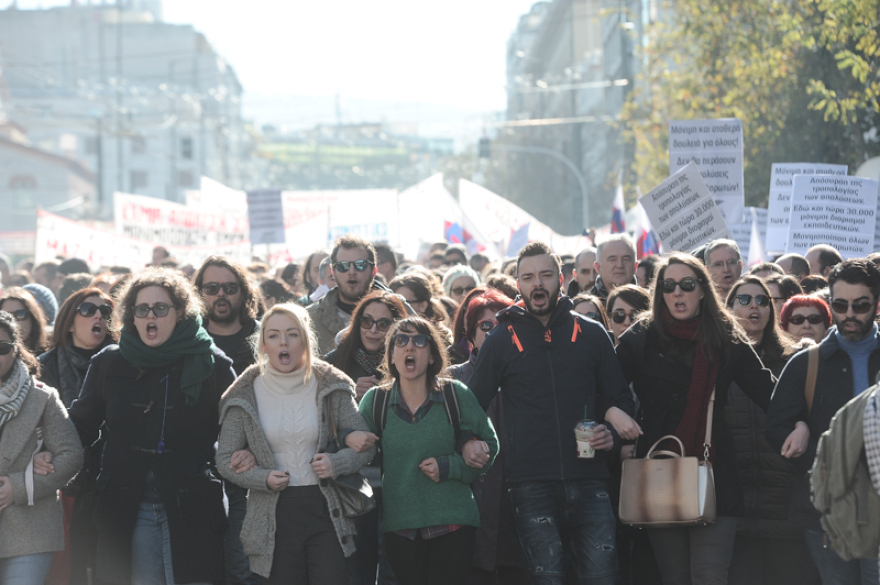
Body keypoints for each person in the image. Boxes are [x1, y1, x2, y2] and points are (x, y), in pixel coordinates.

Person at [468, 241, 635, 585]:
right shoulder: (500, 339)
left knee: (602, 577)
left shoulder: (591, 333)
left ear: (561, 279)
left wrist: (611, 433)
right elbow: (472, 404)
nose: (537, 283)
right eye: (528, 277)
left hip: (590, 479)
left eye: (545, 275)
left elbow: (620, 398)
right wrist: (472, 443)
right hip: (530, 483)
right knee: (548, 579)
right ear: (518, 284)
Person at [68, 267, 237, 585]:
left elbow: (237, 429)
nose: (151, 317)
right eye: (142, 309)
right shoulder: (109, 362)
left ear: (180, 313)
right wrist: (48, 452)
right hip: (127, 500)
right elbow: (80, 424)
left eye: (160, 309)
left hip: (191, 503)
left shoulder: (212, 364)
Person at [615, 253, 777, 585]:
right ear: (659, 292)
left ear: (703, 290)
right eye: (669, 286)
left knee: (710, 575)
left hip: (715, 470)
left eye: (687, 285)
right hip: (660, 469)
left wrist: (802, 420)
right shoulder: (641, 337)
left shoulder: (725, 336)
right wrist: (612, 414)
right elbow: (605, 385)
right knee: (674, 577)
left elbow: (768, 392)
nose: (678, 293)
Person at [216, 303, 375, 585]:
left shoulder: (331, 382)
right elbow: (225, 459)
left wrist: (335, 463)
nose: (283, 342)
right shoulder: (243, 390)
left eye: (292, 334)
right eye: (274, 335)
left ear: (305, 340)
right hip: (273, 512)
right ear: (263, 344)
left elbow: (366, 446)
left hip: (325, 507)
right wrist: (262, 478)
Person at [359, 317, 498, 585]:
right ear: (391, 354)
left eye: (419, 340)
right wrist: (348, 437)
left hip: (454, 525)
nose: (409, 347)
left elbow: (490, 447)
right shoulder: (375, 401)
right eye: (401, 340)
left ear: (432, 355)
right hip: (401, 528)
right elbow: (354, 450)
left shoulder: (455, 395)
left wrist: (450, 467)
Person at [766, 259, 880, 585]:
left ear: (876, 304)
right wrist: (808, 437)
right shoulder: (807, 363)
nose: (850, 314)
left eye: (860, 306)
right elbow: (777, 428)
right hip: (826, 516)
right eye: (840, 305)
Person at [723, 276, 818, 585]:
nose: (755, 306)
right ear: (728, 308)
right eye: (745, 299)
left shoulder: (796, 359)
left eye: (763, 300)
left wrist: (803, 423)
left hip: (785, 510)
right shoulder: (714, 360)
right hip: (733, 509)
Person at [323, 291, 408, 585]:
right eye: (367, 322)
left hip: (400, 479)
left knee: (395, 569)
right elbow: (318, 421)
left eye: (384, 324)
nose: (374, 330)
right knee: (356, 569)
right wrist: (351, 396)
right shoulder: (335, 363)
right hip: (353, 483)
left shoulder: (409, 360)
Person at [35, 287, 117, 585]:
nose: (99, 315)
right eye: (88, 309)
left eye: (106, 311)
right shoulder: (45, 366)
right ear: (69, 321)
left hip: (113, 483)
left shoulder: (122, 362)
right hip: (62, 485)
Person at [446, 290, 526, 585]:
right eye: (485, 326)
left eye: (502, 326)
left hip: (521, 508)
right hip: (470, 509)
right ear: (469, 335)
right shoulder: (452, 381)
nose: (494, 334)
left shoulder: (530, 375)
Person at [193, 256, 263, 585]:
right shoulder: (187, 344)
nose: (221, 295)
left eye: (230, 288)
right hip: (196, 473)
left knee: (242, 570)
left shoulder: (266, 340)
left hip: (251, 471)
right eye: (211, 288)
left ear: (244, 293)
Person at [0, 310, 84, 585]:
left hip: (31, 530)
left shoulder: (41, 396)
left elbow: (71, 455)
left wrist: (20, 487)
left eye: (2, 347)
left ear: (15, 350)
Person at [308, 235, 384, 354]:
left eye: (360, 265)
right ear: (333, 272)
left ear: (373, 271)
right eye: (343, 266)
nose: (352, 272)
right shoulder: (310, 319)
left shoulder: (397, 311)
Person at [0, 288, 49, 356]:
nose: (15, 322)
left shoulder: (50, 356)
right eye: (6, 315)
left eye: (21, 314)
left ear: (33, 318)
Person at [590, 234, 638, 302]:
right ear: (598, 267)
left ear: (635, 267)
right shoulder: (584, 307)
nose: (620, 265)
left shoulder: (651, 303)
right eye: (612, 259)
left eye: (626, 259)